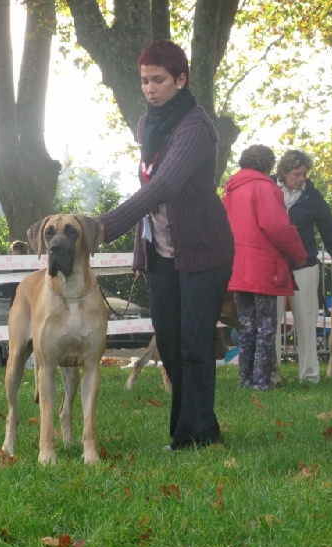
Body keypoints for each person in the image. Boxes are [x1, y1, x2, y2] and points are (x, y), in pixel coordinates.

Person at [97, 39, 234, 451]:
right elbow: (150, 191)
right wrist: (142, 250)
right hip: (162, 255)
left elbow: (167, 184)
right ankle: (191, 429)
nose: (150, 88)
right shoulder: (148, 126)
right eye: (144, 81)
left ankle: (195, 435)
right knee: (171, 347)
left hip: (203, 251)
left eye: (158, 80)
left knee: (194, 344)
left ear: (180, 79)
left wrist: (103, 227)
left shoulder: (195, 126)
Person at [275, 150, 332, 384]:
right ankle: (272, 375)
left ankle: (309, 376)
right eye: (297, 174)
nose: (302, 178)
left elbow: (330, 230)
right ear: (284, 173)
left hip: (304, 265)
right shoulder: (267, 189)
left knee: (306, 320)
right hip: (272, 266)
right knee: (272, 322)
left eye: (304, 174)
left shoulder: (312, 196)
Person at [223, 145, 307, 390]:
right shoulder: (267, 189)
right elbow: (278, 228)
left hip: (238, 266)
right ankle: (262, 381)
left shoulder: (231, 189)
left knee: (246, 326)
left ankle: (245, 379)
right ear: (269, 165)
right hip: (263, 268)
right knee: (266, 327)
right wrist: (299, 254)